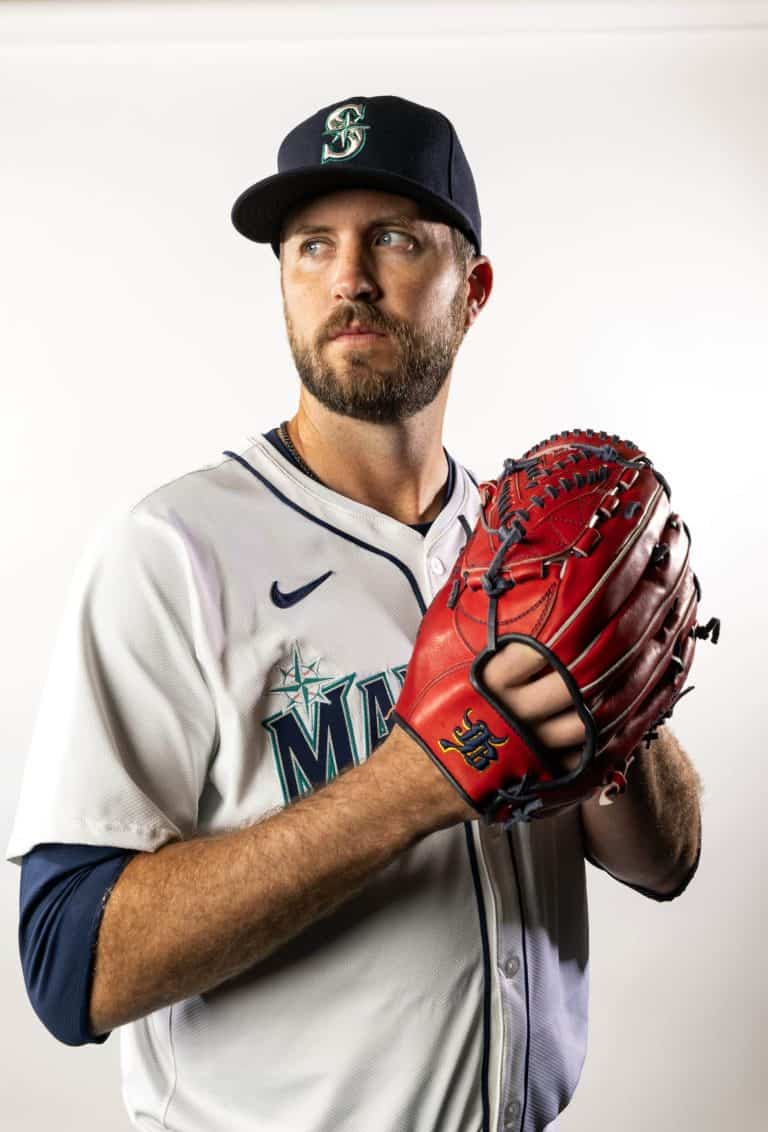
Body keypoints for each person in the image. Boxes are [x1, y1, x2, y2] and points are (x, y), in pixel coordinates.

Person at [6, 95, 702, 1132]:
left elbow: (666, 864)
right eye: (311, 245)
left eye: (393, 238)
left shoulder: (531, 547)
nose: (349, 278)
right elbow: (70, 964)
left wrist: (621, 718)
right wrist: (409, 785)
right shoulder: (173, 551)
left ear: (473, 290)